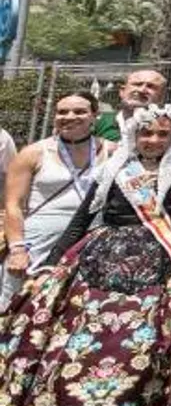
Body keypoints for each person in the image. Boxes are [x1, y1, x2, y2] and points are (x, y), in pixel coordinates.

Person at [0, 105, 171, 406]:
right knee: (87, 334)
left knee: (152, 335)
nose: (154, 140)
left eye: (162, 134)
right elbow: (82, 220)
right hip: (104, 255)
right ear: (134, 135)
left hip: (166, 256)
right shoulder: (114, 168)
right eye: (146, 133)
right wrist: (50, 265)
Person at [3, 91, 103, 302]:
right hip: (38, 243)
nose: (70, 116)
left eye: (80, 111)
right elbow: (13, 204)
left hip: (90, 240)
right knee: (17, 303)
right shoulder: (33, 153)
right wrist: (17, 249)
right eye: (62, 112)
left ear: (95, 115)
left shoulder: (112, 151)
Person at [93, 67, 166, 142]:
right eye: (137, 84)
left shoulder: (166, 128)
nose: (141, 90)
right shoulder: (98, 122)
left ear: (161, 97)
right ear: (122, 91)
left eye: (150, 86)